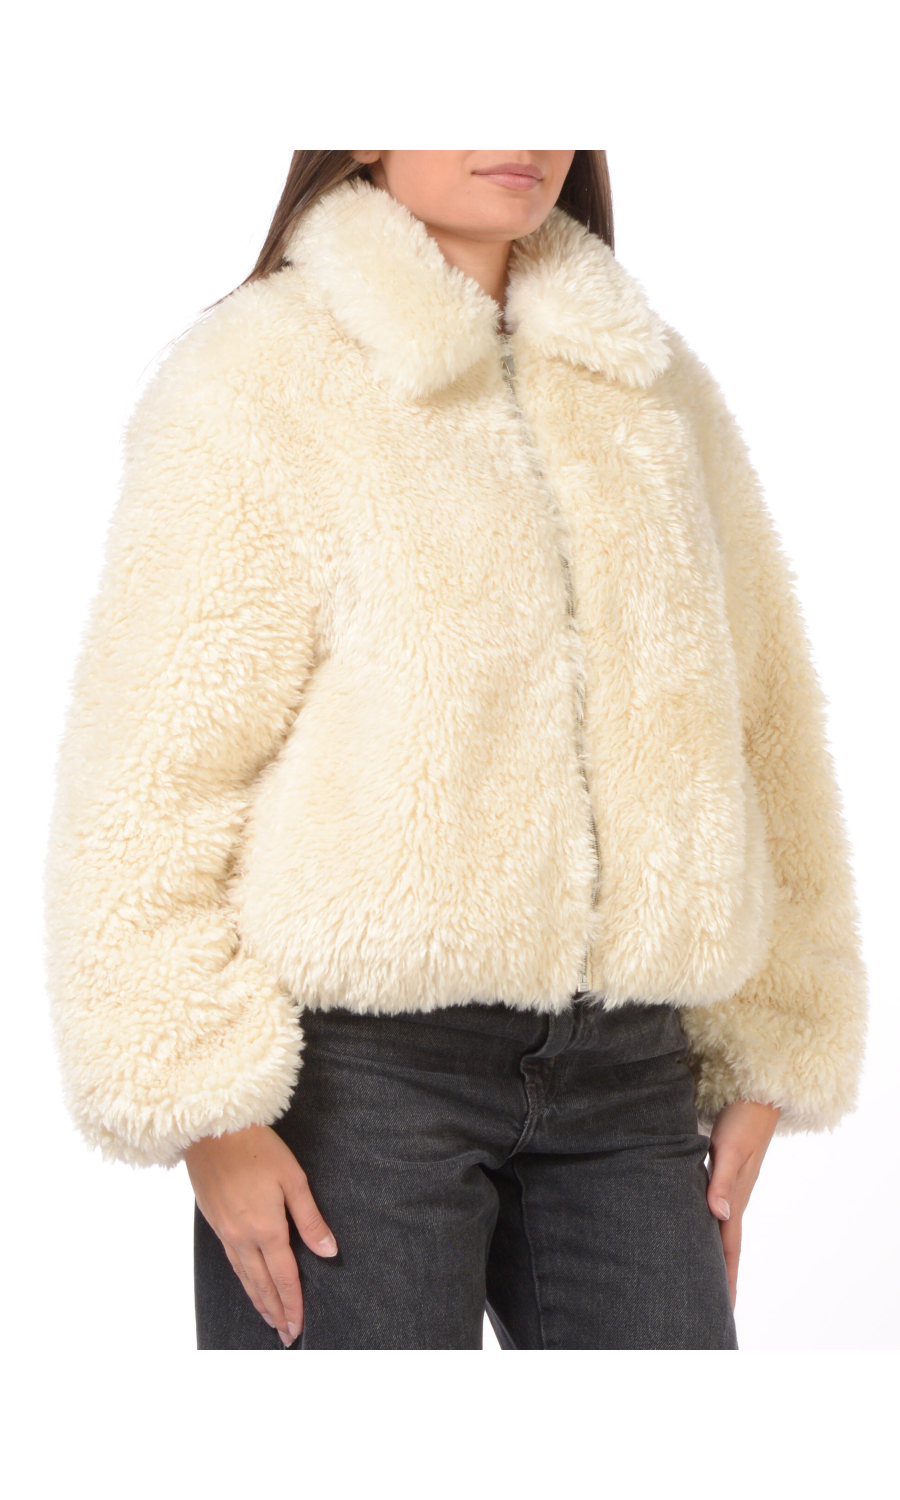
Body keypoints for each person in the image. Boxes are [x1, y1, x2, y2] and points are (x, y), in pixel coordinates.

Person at [45, 150, 867, 1350]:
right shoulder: (258, 377)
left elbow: (767, 720)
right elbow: (152, 763)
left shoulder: (652, 383)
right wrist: (201, 1108)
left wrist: (776, 1041)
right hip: (362, 1084)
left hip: (633, 1071)